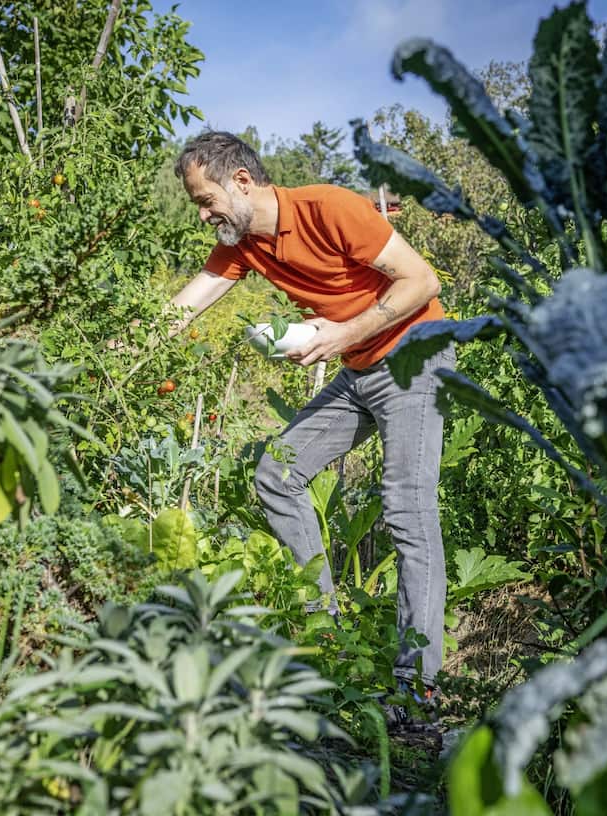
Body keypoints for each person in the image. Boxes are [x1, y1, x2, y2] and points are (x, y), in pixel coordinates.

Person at [165, 130, 453, 706]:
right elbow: (179, 309)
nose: (203, 215)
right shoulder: (242, 243)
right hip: (360, 370)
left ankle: (417, 690)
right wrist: (106, 355)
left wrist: (340, 334)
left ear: (241, 181)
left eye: (205, 200)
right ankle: (329, 633)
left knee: (407, 511)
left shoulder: (332, 208)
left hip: (415, 358)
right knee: (277, 473)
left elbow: (424, 281)